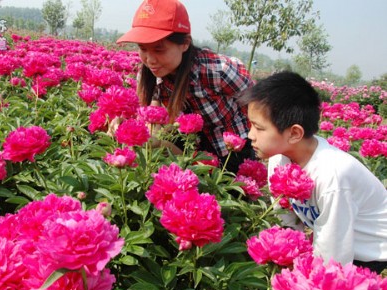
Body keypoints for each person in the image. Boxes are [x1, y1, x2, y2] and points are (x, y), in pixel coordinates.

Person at [240, 71, 387, 274]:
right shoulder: (278, 159)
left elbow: (334, 257)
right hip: (339, 243)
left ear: (294, 133)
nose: (250, 135)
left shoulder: (332, 175)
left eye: (258, 127)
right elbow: (288, 225)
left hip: (370, 256)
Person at [116, 0, 255, 173]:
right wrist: (127, 127)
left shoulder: (218, 70)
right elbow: (153, 120)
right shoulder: (150, 75)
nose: (150, 60)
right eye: (143, 49)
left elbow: (257, 102)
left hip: (232, 147)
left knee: (230, 192)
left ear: (185, 43)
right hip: (190, 143)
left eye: (159, 50)